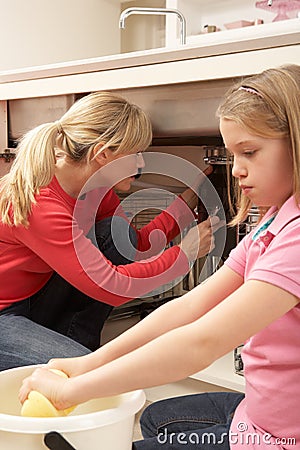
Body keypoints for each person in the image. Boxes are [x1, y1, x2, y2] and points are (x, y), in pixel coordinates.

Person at [19, 64, 300, 449]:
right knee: (153, 417)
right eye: (234, 155)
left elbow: (201, 338)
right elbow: (140, 294)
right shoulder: (275, 224)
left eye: (248, 152)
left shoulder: (290, 235)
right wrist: (85, 368)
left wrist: (77, 383)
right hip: (13, 312)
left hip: (277, 437)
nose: (236, 171)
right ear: (104, 155)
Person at [0, 91, 220, 371]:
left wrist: (183, 206)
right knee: (90, 372)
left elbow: (134, 245)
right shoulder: (40, 204)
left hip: (35, 299)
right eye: (136, 154)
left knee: (114, 232)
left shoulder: (96, 190)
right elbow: (111, 285)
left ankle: (75, 347)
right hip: (4, 315)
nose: (141, 164)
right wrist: (183, 256)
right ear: (103, 154)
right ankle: (73, 358)